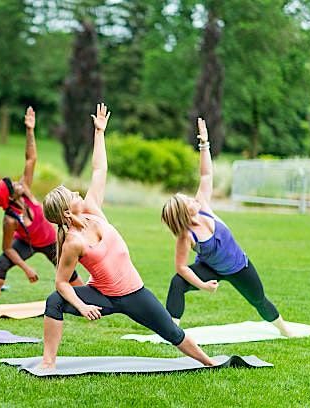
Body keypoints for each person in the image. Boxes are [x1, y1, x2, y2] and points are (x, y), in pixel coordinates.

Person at [40, 104, 215, 369]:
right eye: (72, 196)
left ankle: (209, 362)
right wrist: (82, 305)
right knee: (54, 303)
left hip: (135, 293)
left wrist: (99, 133)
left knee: (172, 332)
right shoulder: (73, 242)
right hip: (103, 296)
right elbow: (61, 283)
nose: (78, 194)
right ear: (66, 212)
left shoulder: (92, 210)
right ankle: (48, 362)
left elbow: (99, 171)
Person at [160, 118, 295, 337]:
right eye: (189, 202)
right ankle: (170, 330)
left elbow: (206, 175)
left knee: (259, 300)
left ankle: (284, 329)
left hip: (238, 266)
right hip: (210, 268)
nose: (194, 200)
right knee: (178, 283)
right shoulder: (186, 236)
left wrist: (204, 144)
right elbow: (181, 268)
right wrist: (204, 286)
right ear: (185, 213)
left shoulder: (203, 205)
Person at [0, 106, 84, 313]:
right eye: (13, 186)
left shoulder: (26, 191)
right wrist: (26, 268)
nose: (17, 183)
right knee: (1, 263)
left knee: (69, 273)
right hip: (27, 244)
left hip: (50, 240)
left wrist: (30, 130)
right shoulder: (10, 219)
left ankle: (85, 303)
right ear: (10, 197)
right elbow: (8, 248)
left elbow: (30, 159)